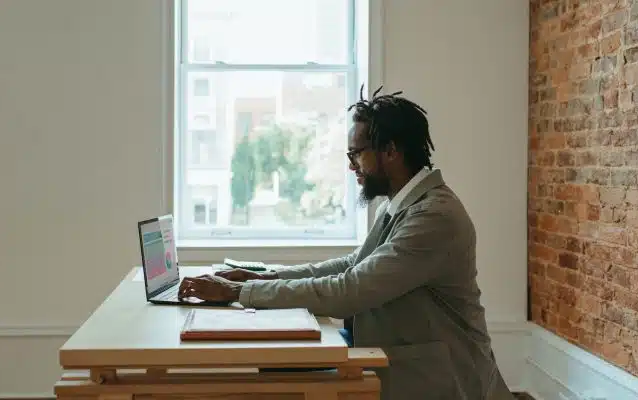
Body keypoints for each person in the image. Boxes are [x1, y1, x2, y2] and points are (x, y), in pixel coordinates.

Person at [178, 86, 514, 400]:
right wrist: (263, 278)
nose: (351, 165)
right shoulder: (400, 204)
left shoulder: (434, 217)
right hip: (409, 362)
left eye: (356, 154)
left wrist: (238, 293)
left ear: (391, 151)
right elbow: (351, 266)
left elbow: (350, 289)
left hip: (447, 382)